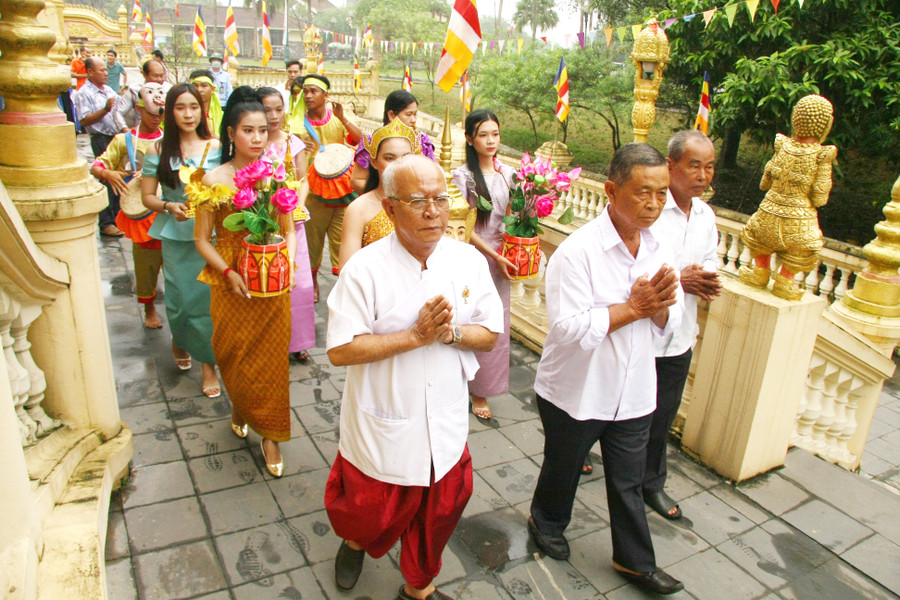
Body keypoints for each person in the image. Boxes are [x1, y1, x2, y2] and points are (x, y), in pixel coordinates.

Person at [325, 155, 503, 600]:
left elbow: (490, 333)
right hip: (383, 421)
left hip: (443, 422)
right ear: (389, 209)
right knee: (366, 512)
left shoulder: (467, 261)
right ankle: (354, 542)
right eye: (418, 201)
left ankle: (418, 587)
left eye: (441, 199)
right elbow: (340, 349)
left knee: (438, 514)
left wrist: (452, 333)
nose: (433, 212)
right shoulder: (364, 270)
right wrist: (414, 336)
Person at [528, 143, 686, 596]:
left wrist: (655, 309)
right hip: (577, 390)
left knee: (628, 479)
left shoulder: (660, 245)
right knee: (564, 465)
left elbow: (669, 322)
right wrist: (634, 308)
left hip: (634, 388)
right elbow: (568, 329)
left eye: (661, 194)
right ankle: (547, 521)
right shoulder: (578, 253)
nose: (654, 204)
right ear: (611, 190)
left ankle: (635, 561)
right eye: (643, 193)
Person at [189, 86, 296, 478]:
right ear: (231, 133)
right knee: (232, 352)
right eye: (248, 130)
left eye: (262, 131)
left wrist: (288, 262)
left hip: (272, 281)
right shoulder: (212, 180)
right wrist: (229, 272)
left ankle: (271, 435)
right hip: (231, 280)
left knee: (271, 361)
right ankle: (240, 404)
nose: (256, 138)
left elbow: (289, 227)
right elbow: (202, 239)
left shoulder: (276, 175)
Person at [644, 130, 721, 520]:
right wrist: (679, 278)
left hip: (679, 337)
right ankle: (578, 452)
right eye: (694, 166)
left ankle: (651, 483)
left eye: (709, 167)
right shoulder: (651, 212)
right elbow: (636, 269)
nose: (703, 175)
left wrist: (706, 277)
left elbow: (711, 258)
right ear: (671, 165)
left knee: (662, 416)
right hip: (642, 333)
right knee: (613, 408)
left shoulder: (706, 216)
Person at [141, 83, 221, 398]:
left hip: (211, 235)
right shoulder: (157, 151)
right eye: (180, 107)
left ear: (202, 111)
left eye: (193, 107)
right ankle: (179, 337)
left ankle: (208, 365)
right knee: (179, 302)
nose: (188, 114)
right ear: (169, 112)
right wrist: (167, 205)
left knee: (206, 302)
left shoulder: (216, 147)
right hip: (175, 234)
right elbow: (148, 196)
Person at [451, 110, 518, 422]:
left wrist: (517, 247)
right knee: (470, 319)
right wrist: (494, 255)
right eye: (483, 135)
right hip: (474, 255)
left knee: (496, 324)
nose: (491, 141)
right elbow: (464, 227)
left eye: (495, 133)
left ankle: (482, 389)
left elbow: (516, 217)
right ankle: (460, 381)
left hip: (503, 256)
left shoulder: (510, 174)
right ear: (469, 139)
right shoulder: (462, 176)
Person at [90, 82, 166, 329]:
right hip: (141, 214)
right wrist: (108, 174)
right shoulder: (124, 141)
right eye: (152, 113)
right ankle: (149, 307)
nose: (156, 119)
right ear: (139, 109)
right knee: (145, 265)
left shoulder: (170, 139)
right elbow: (96, 166)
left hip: (168, 209)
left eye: (161, 114)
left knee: (176, 265)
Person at [256, 86, 315, 364]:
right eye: (267, 109)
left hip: (291, 220)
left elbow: (304, 179)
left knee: (299, 283)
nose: (274, 115)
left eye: (278, 109)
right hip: (261, 221)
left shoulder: (294, 143)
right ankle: (268, 338)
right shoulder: (253, 142)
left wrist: (298, 203)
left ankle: (298, 341)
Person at [296, 73, 363, 300]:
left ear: (326, 95)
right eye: (305, 91)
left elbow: (361, 139)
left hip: (343, 186)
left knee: (342, 237)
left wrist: (343, 118)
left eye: (314, 91)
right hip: (314, 189)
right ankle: (313, 282)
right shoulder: (298, 123)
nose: (308, 96)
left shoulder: (337, 118)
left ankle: (343, 284)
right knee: (313, 239)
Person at [338, 118, 421, 269]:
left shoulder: (425, 205)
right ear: (374, 162)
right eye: (390, 158)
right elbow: (348, 271)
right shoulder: (359, 209)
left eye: (406, 157)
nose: (398, 165)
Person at [348, 90, 435, 193]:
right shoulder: (374, 143)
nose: (413, 119)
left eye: (415, 114)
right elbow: (356, 181)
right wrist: (391, 194)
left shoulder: (421, 141)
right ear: (392, 115)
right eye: (408, 114)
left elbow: (432, 177)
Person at [74, 56, 124, 237]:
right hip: (100, 138)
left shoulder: (109, 89)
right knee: (106, 179)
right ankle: (106, 222)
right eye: (101, 70)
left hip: (115, 137)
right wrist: (105, 109)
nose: (106, 73)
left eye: (105, 69)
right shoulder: (84, 93)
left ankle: (118, 218)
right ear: (90, 72)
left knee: (119, 178)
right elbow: (84, 119)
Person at [115, 59, 168, 132]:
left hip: (161, 137)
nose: (159, 79)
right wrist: (125, 130)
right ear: (145, 75)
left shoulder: (167, 91)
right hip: (140, 136)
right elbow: (119, 112)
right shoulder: (135, 91)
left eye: (162, 76)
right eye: (155, 76)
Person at [189, 69, 223, 135]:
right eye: (195, 86)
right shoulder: (187, 115)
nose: (199, 90)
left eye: (204, 85)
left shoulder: (222, 116)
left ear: (212, 89)